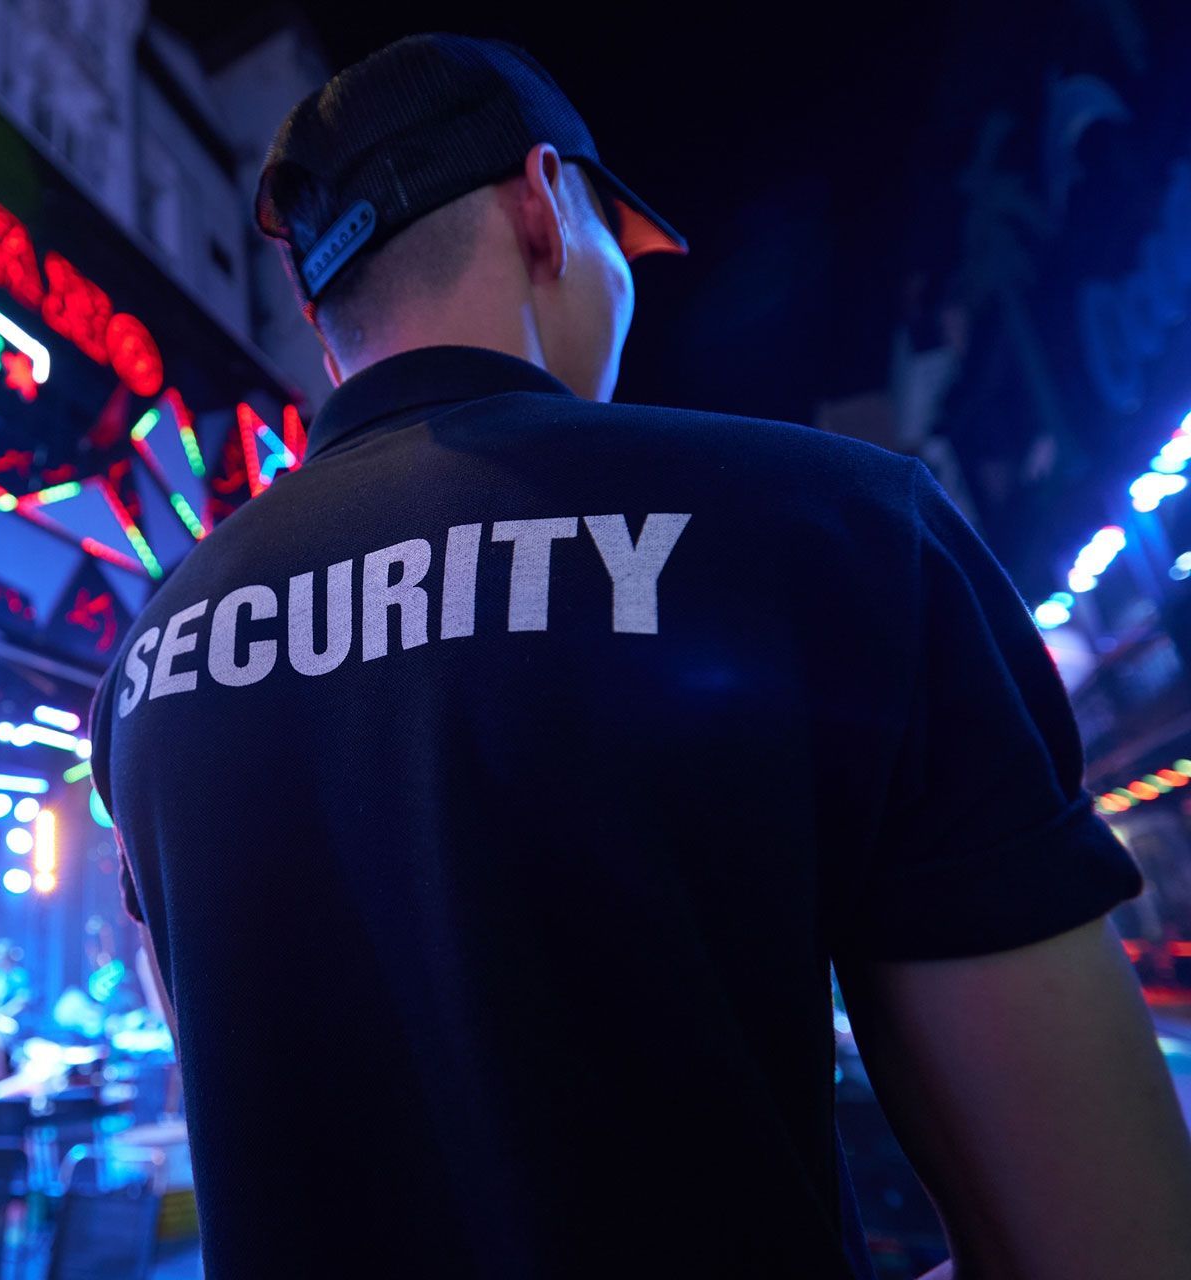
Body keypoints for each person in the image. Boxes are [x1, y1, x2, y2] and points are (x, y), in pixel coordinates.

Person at [88, 34, 1191, 1280]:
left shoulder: (147, 665)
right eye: (624, 246)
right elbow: (1110, 1242)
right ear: (546, 205)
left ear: (323, 319)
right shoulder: (834, 530)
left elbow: (239, 1098)